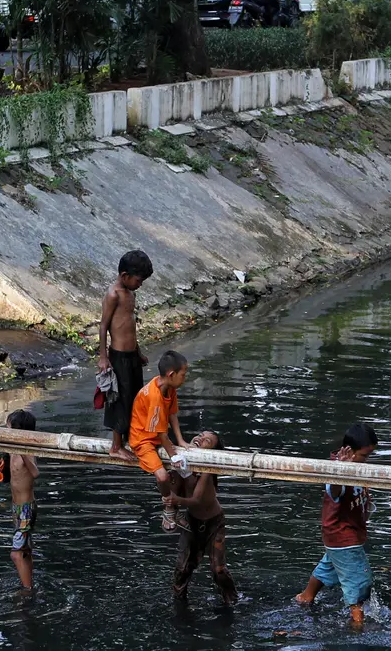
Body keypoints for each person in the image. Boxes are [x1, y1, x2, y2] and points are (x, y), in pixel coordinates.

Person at [295, 423, 379, 628]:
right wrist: (340, 470)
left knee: (329, 567)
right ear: (349, 452)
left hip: (342, 535)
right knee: (359, 581)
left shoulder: (358, 467)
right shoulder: (336, 470)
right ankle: (357, 624)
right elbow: (334, 491)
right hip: (343, 536)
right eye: (364, 456)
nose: (367, 461)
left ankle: (306, 597)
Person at [166, 431, 238, 605]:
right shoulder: (180, 460)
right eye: (200, 435)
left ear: (212, 451)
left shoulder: (207, 467)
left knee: (218, 569)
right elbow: (172, 486)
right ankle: (178, 602)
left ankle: (232, 600)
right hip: (192, 521)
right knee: (183, 568)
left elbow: (196, 499)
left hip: (214, 522)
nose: (200, 438)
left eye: (207, 441)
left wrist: (177, 500)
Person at [99, 250, 153, 461]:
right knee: (119, 399)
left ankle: (132, 438)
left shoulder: (131, 294)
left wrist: (138, 352)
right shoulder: (114, 294)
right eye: (138, 280)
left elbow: (130, 327)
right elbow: (103, 327)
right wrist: (103, 357)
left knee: (135, 397)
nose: (140, 284)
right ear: (124, 276)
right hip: (118, 355)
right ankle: (116, 446)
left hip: (131, 355)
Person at [130, 350, 191, 531]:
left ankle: (174, 506)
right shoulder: (154, 396)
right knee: (163, 476)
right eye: (183, 375)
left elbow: (172, 414)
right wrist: (173, 454)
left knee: (179, 472)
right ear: (171, 374)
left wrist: (181, 441)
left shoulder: (169, 388)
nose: (184, 378)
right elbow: (160, 435)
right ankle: (169, 507)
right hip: (143, 439)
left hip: (157, 435)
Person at [6, 409, 40, 591]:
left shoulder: (27, 450)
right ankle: (29, 585)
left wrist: (22, 451)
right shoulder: (11, 450)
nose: (6, 430)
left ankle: (27, 592)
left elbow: (35, 472)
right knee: (25, 550)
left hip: (26, 509)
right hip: (16, 509)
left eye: (9, 427)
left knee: (16, 554)